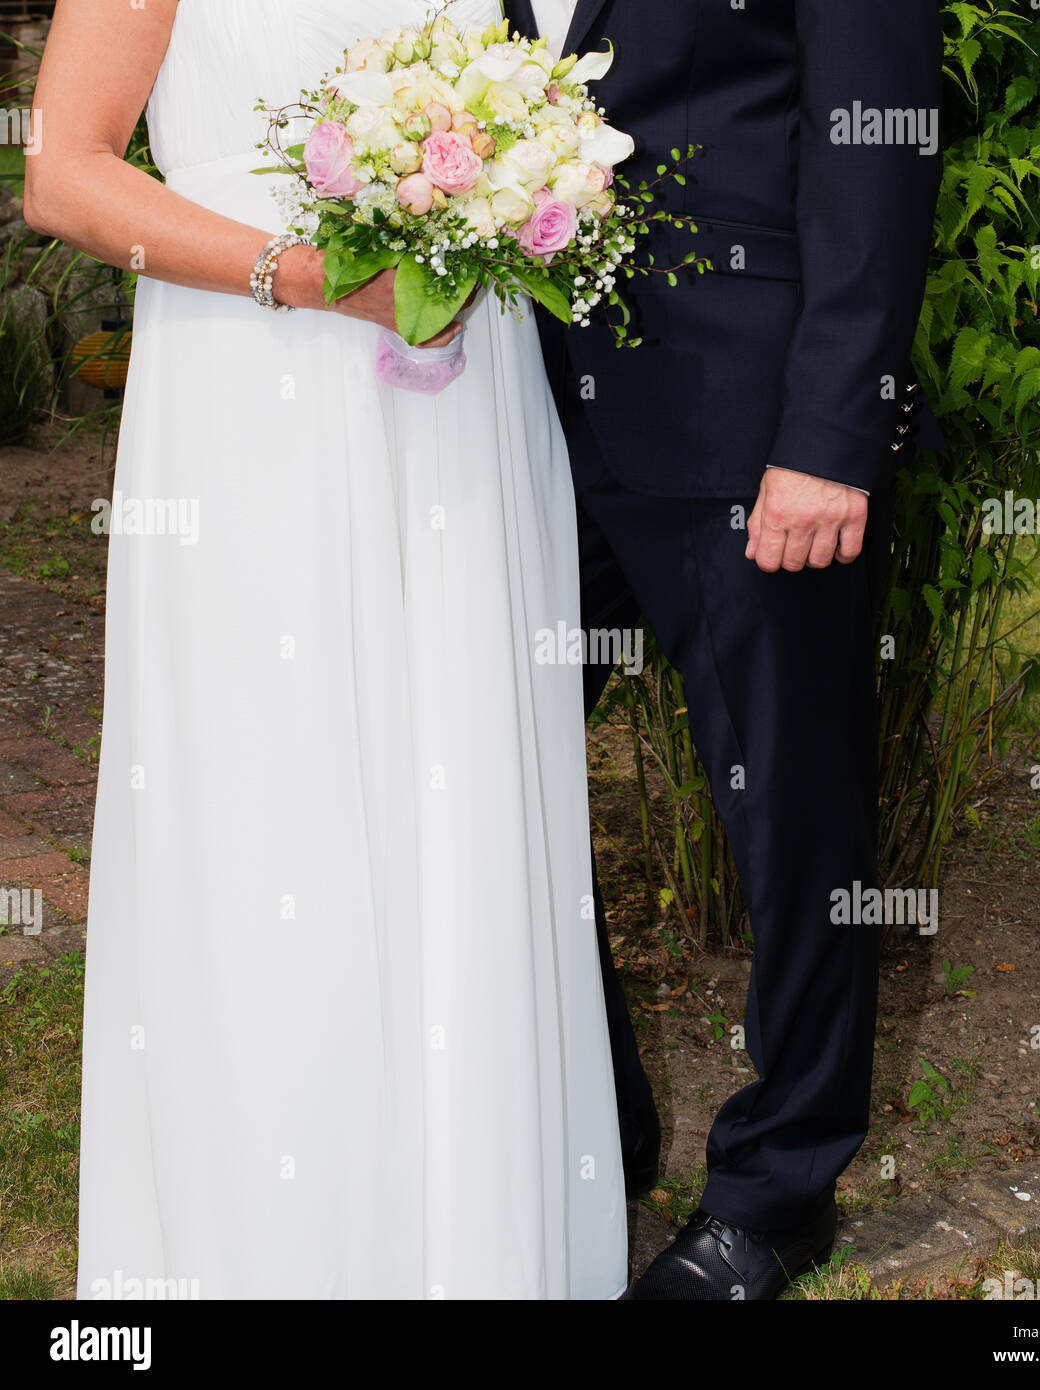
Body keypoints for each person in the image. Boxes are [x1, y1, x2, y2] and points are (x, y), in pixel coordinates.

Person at [25, 0, 627, 1300]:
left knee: (462, 812)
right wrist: (303, 276)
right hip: (256, 400)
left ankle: (473, 1242)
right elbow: (63, 174)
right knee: (274, 815)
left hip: (468, 408)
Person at [512, 0, 945, 1299]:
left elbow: (878, 138)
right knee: (480, 759)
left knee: (790, 815)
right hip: (520, 421)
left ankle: (779, 1185)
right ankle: (601, 1116)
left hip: (751, 425)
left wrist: (830, 430)